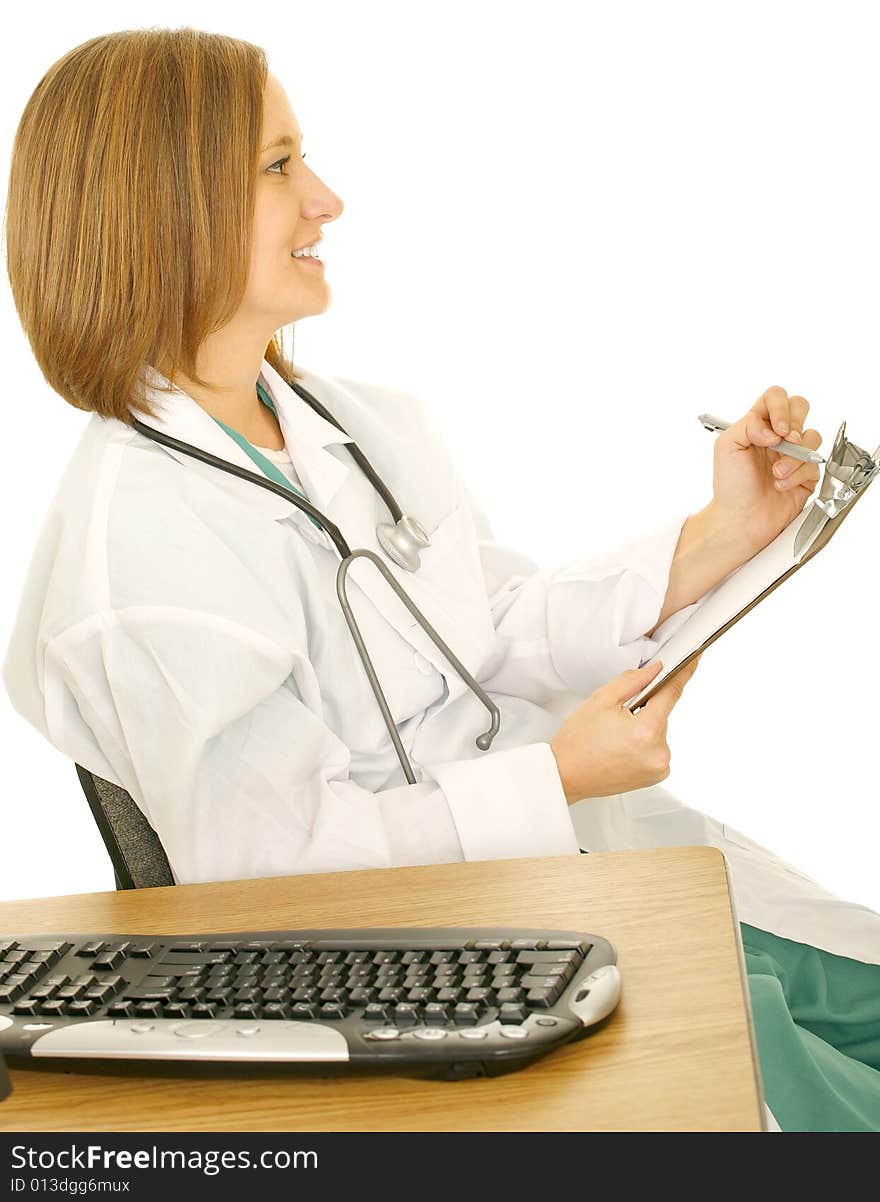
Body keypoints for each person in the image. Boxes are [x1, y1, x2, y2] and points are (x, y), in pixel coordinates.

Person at [2, 27, 878, 1132]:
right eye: (278, 167)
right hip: (453, 967)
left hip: (599, 877)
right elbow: (265, 878)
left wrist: (718, 534)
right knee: (807, 1092)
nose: (325, 198)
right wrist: (553, 775)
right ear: (161, 207)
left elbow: (489, 628)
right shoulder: (129, 560)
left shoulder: (351, 424)